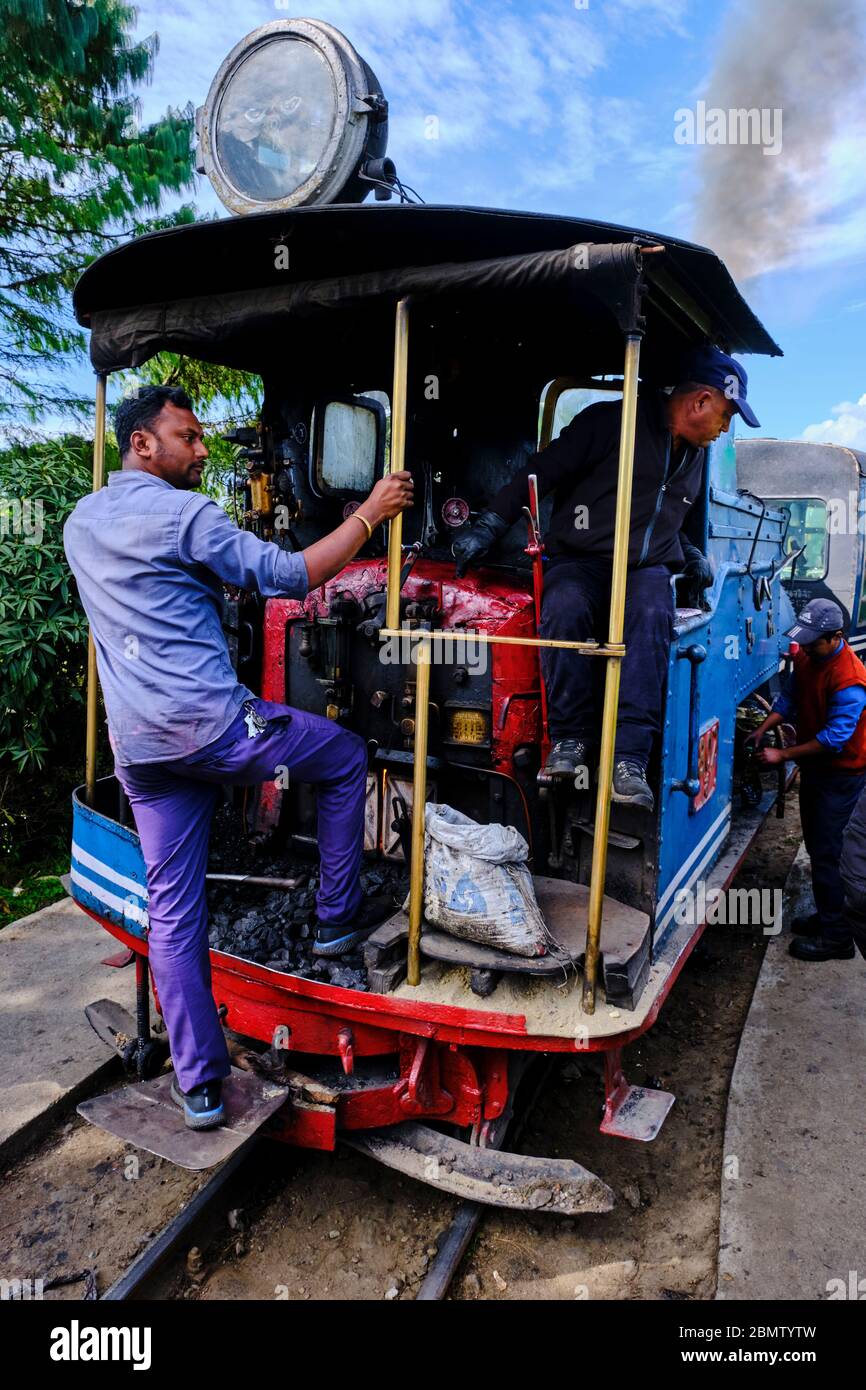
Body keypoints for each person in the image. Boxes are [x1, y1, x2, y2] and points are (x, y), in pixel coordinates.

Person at [63, 385, 413, 1129]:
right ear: (142, 444)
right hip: (220, 733)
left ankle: (199, 1089)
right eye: (186, 437)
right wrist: (369, 514)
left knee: (173, 914)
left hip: (143, 752)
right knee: (346, 754)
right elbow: (290, 577)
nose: (201, 450)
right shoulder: (185, 514)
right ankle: (333, 921)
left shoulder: (82, 521)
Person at [452, 346, 761, 812]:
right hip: (583, 559)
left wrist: (691, 553)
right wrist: (489, 525)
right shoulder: (609, 423)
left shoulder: (694, 456)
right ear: (700, 401)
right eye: (725, 415)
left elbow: (666, 517)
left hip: (645, 569)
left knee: (654, 613)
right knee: (565, 607)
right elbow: (541, 472)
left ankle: (629, 761)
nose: (724, 428)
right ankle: (570, 741)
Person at [748, 599, 866, 962]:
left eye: (816, 641)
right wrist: (763, 729)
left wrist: (782, 755)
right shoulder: (808, 658)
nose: (809, 646)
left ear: (836, 637)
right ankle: (830, 916)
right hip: (819, 771)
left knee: (831, 853)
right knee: (817, 847)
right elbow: (789, 698)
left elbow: (834, 739)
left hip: (844, 776)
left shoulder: (850, 679)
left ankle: (838, 938)